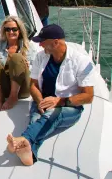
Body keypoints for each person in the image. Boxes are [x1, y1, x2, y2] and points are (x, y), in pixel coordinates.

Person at [7, 24, 94, 166]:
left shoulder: (81, 61)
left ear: (55, 42)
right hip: (42, 102)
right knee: (36, 119)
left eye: (43, 41)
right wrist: (40, 101)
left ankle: (23, 139)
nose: (40, 45)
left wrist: (59, 101)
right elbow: (33, 85)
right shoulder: (41, 57)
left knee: (50, 115)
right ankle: (29, 155)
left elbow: (88, 96)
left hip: (69, 107)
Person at [0, 16, 37, 111]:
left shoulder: (28, 46)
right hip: (5, 86)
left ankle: (13, 97)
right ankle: (0, 98)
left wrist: (28, 66)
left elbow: (36, 70)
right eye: (7, 29)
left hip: (23, 87)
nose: (11, 32)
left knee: (16, 57)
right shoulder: (0, 45)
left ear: (19, 30)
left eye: (14, 29)